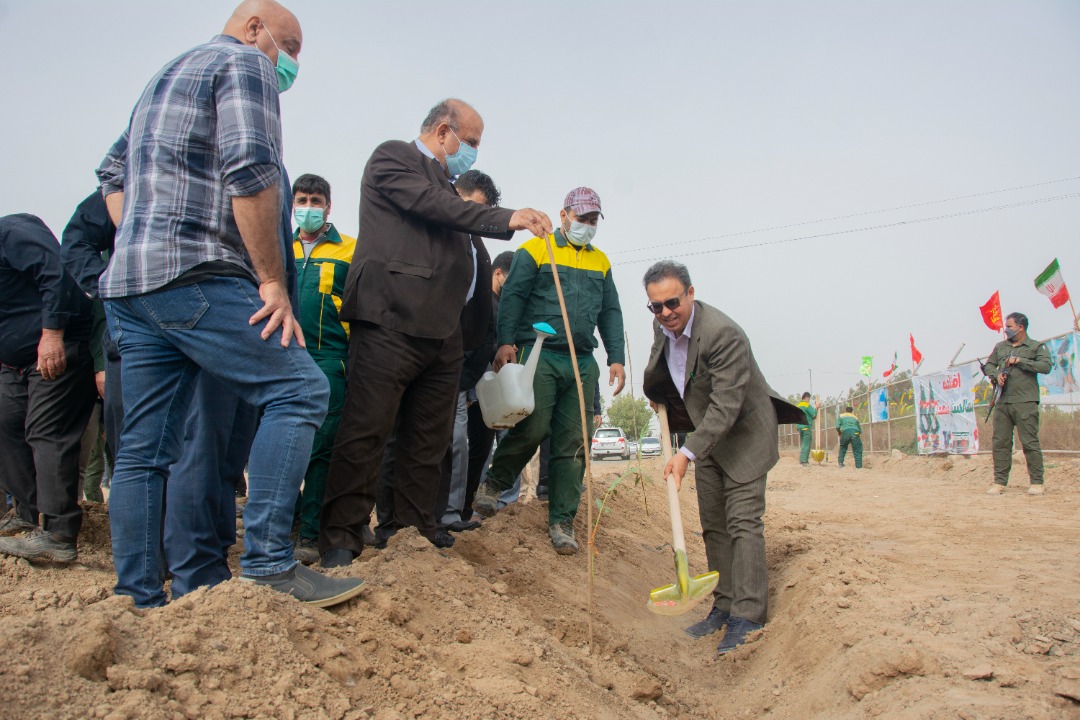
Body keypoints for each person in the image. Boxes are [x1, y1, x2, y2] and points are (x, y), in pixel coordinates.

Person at [94, 0, 363, 608]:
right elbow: (252, 171)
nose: (289, 63)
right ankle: (269, 564)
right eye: (288, 47)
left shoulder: (164, 76)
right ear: (253, 28)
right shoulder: (245, 66)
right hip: (198, 276)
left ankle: (136, 596)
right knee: (299, 390)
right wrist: (271, 280)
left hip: (134, 289)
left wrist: (144, 235)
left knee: (144, 449)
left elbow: (112, 176)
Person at [318, 99, 552, 567]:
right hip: (391, 318)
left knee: (428, 441)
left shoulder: (448, 189)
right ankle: (341, 540)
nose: (473, 153)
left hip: (442, 336)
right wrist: (508, 217)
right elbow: (434, 206)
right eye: (472, 142)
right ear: (445, 132)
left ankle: (414, 533)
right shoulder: (394, 159)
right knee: (367, 431)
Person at [640, 260, 805, 654]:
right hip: (706, 436)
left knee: (743, 521)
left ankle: (748, 616)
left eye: (673, 302)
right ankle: (725, 604)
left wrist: (685, 454)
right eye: (656, 306)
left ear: (691, 294)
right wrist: (656, 391)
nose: (665, 313)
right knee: (714, 523)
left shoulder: (724, 334)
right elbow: (663, 364)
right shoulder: (663, 326)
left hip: (743, 434)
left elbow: (726, 407)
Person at [473, 187, 626, 556]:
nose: (587, 226)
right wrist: (505, 341)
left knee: (574, 443)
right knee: (534, 425)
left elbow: (610, 311)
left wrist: (615, 357)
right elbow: (513, 296)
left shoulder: (601, 262)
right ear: (563, 215)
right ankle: (495, 483)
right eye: (582, 218)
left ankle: (562, 521)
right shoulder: (534, 250)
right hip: (538, 352)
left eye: (593, 221)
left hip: (580, 360)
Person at [0, 214, 97, 562]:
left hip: (58, 344)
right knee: (6, 423)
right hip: (13, 362)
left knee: (46, 430)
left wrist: (52, 333)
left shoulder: (13, 231)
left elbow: (56, 275)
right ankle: (28, 515)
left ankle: (57, 532)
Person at [287, 173, 357, 564]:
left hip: (330, 358)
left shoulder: (351, 248)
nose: (308, 207)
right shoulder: (281, 245)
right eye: (302, 199)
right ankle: (289, 520)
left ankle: (311, 535)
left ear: (328, 206)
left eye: (316, 200)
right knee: (280, 443)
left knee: (320, 448)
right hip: (282, 357)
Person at [437, 169, 502, 533]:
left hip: (458, 372)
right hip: (423, 359)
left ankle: (449, 514)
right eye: (468, 207)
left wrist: (469, 379)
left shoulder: (478, 252)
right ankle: (398, 522)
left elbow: (481, 327)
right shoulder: (430, 237)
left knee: (457, 445)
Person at [983, 312, 1051, 496]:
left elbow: (1045, 366)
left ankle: (1037, 482)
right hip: (1002, 401)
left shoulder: (1035, 346)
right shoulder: (1000, 347)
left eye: (1010, 326)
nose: (1006, 330)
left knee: (1029, 442)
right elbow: (989, 365)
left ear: (1021, 327)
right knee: (1000, 442)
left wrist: (1021, 361)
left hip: (1025, 401)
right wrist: (996, 375)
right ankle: (999, 482)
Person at [795, 392, 819, 465]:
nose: (809, 400)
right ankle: (804, 461)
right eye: (809, 398)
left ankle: (802, 460)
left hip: (799, 427)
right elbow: (814, 414)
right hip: (806, 427)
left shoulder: (798, 405)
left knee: (804, 444)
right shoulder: (806, 405)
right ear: (807, 397)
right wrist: (817, 408)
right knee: (806, 444)